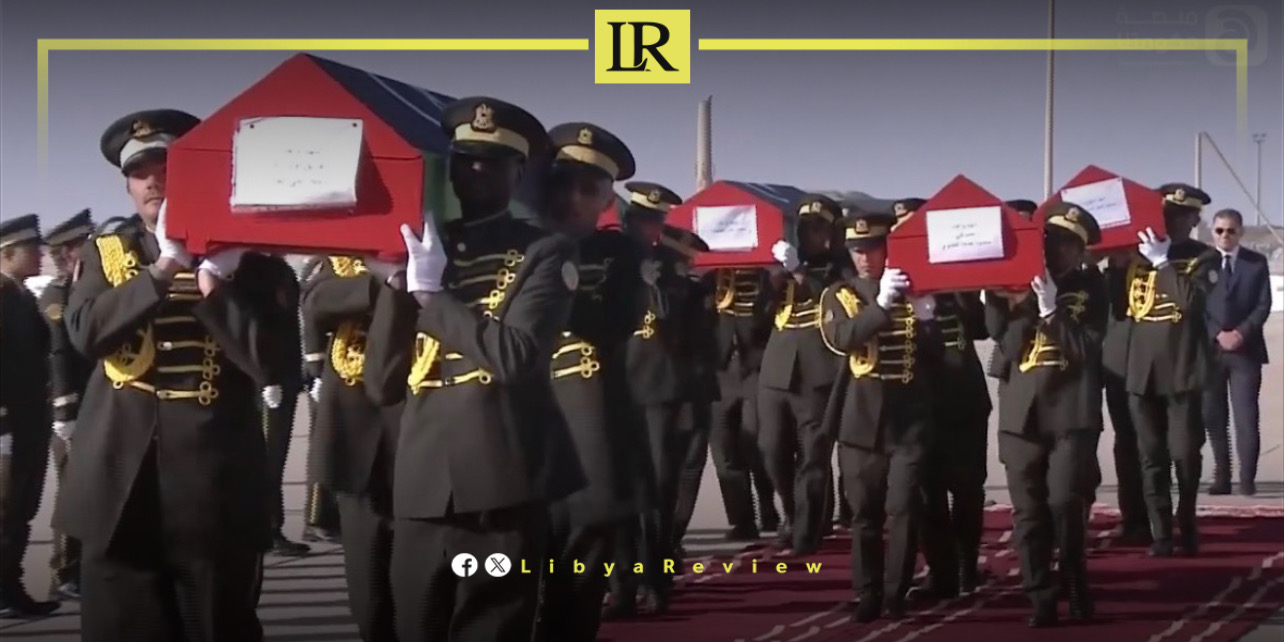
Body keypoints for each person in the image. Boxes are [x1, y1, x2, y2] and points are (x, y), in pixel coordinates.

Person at [359, 97, 584, 641]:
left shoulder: (546, 252)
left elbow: (516, 356)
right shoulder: (425, 247)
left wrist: (432, 297)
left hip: (499, 481)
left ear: (518, 173)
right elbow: (382, 383)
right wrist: (395, 287)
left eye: (493, 162)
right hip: (422, 484)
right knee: (414, 627)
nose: (476, 171)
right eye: (465, 160)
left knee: (490, 629)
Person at [56, 109, 274, 640]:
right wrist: (162, 271)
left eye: (166, 166)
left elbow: (270, 363)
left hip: (215, 484)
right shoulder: (105, 253)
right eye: (140, 172)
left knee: (217, 624)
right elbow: (86, 333)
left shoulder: (247, 255)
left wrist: (216, 286)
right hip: (117, 483)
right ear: (128, 186)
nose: (153, 180)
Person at [537, 121, 645, 641]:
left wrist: (551, 272)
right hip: (512, 439)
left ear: (606, 201)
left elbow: (612, 323)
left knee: (576, 592)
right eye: (564, 185)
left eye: (589, 189)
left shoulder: (620, 255)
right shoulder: (509, 243)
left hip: (589, 439)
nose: (573, 199)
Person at [985, 203, 1107, 627]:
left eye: (1069, 244)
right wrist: (1018, 300)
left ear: (1080, 251)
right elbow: (1003, 340)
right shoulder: (1012, 283)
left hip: (1071, 412)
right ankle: (1039, 594)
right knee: (1029, 512)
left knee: (1065, 503)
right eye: (1052, 240)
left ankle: (1073, 578)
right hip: (1021, 414)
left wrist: (1053, 310)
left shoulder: (1092, 288)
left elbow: (1086, 347)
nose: (1058, 250)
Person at [820, 209, 940, 621]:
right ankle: (867, 592)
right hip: (861, 421)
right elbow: (842, 337)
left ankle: (895, 592)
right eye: (857, 250)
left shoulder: (913, 289)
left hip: (909, 420)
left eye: (872, 248)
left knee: (904, 508)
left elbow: (937, 357)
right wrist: (883, 304)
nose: (864, 258)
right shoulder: (839, 294)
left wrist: (926, 318)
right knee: (865, 514)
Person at [300, 253, 406, 641]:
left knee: (427, 586)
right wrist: (389, 282)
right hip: (358, 434)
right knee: (369, 586)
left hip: (422, 433)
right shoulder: (343, 260)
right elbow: (317, 301)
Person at [890, 198, 992, 598]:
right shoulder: (891, 283)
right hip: (915, 403)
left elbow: (981, 327)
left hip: (963, 400)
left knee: (966, 490)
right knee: (926, 494)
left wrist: (960, 281)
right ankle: (941, 572)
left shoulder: (953, 280)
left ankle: (967, 566)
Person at [1123, 183, 1214, 557]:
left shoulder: (1204, 257)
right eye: (1168, 215)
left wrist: (1162, 263)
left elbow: (1191, 302)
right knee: (1151, 457)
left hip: (1182, 367)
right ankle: (1161, 532)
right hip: (1142, 370)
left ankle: (1186, 519)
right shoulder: (1136, 255)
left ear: (1194, 220)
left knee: (1185, 453)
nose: (1175, 222)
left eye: (1183, 216)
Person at [615, 180, 687, 614]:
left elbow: (673, 317)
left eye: (653, 222)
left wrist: (653, 283)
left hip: (657, 389)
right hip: (615, 385)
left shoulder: (669, 265)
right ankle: (622, 585)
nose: (646, 229)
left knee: (657, 491)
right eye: (640, 220)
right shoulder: (607, 256)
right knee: (618, 490)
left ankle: (657, 580)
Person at [760, 194, 843, 555]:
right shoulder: (781, 265)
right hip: (776, 368)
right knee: (771, 448)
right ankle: (793, 514)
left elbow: (832, 300)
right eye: (806, 228)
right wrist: (772, 280)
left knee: (813, 455)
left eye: (819, 228)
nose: (812, 234)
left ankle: (807, 532)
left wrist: (798, 272)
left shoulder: (841, 266)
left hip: (817, 370)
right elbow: (757, 315)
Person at [0, 214, 61, 619]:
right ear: (8, 254)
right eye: (32, 250)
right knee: (6, 511)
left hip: (29, 422)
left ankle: (10, 586)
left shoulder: (20, 295)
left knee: (21, 509)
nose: (41, 255)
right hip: (8, 425)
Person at [38, 209, 95, 602]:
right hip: (72, 410)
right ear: (69, 252)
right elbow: (58, 354)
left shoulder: (84, 289)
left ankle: (83, 567)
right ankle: (64, 571)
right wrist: (64, 410)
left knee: (90, 488)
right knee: (73, 490)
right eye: (85, 244)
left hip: (94, 404)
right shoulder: (57, 295)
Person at [243, 253, 312, 557]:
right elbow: (253, 327)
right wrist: (266, 376)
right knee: (267, 458)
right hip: (266, 380)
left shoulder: (279, 267)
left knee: (275, 456)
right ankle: (267, 529)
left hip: (285, 376)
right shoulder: (251, 268)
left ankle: (270, 527)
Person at [705, 264, 780, 539]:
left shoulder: (762, 276)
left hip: (754, 369)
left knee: (755, 445)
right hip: (719, 371)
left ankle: (767, 507)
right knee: (725, 451)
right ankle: (742, 519)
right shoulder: (708, 278)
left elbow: (768, 319)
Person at [1203, 208, 1273, 496]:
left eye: (1231, 230)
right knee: (1214, 416)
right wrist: (1216, 333)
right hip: (1211, 351)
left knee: (1246, 417)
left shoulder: (1255, 263)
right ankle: (1222, 475)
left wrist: (1241, 333)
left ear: (1240, 232)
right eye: (1219, 230)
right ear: (1212, 232)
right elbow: (1196, 304)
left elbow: (1263, 304)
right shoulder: (1202, 263)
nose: (1225, 236)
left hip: (1246, 351)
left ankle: (1247, 479)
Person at [662, 225, 719, 555]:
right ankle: (665, 537)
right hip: (668, 389)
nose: (691, 263)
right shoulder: (667, 292)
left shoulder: (697, 291)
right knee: (672, 468)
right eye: (686, 258)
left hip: (696, 390)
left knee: (690, 466)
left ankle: (674, 536)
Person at [299, 256, 344, 545]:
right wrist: (315, 367)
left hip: (344, 367)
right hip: (328, 369)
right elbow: (311, 312)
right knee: (323, 445)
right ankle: (317, 517)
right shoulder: (326, 264)